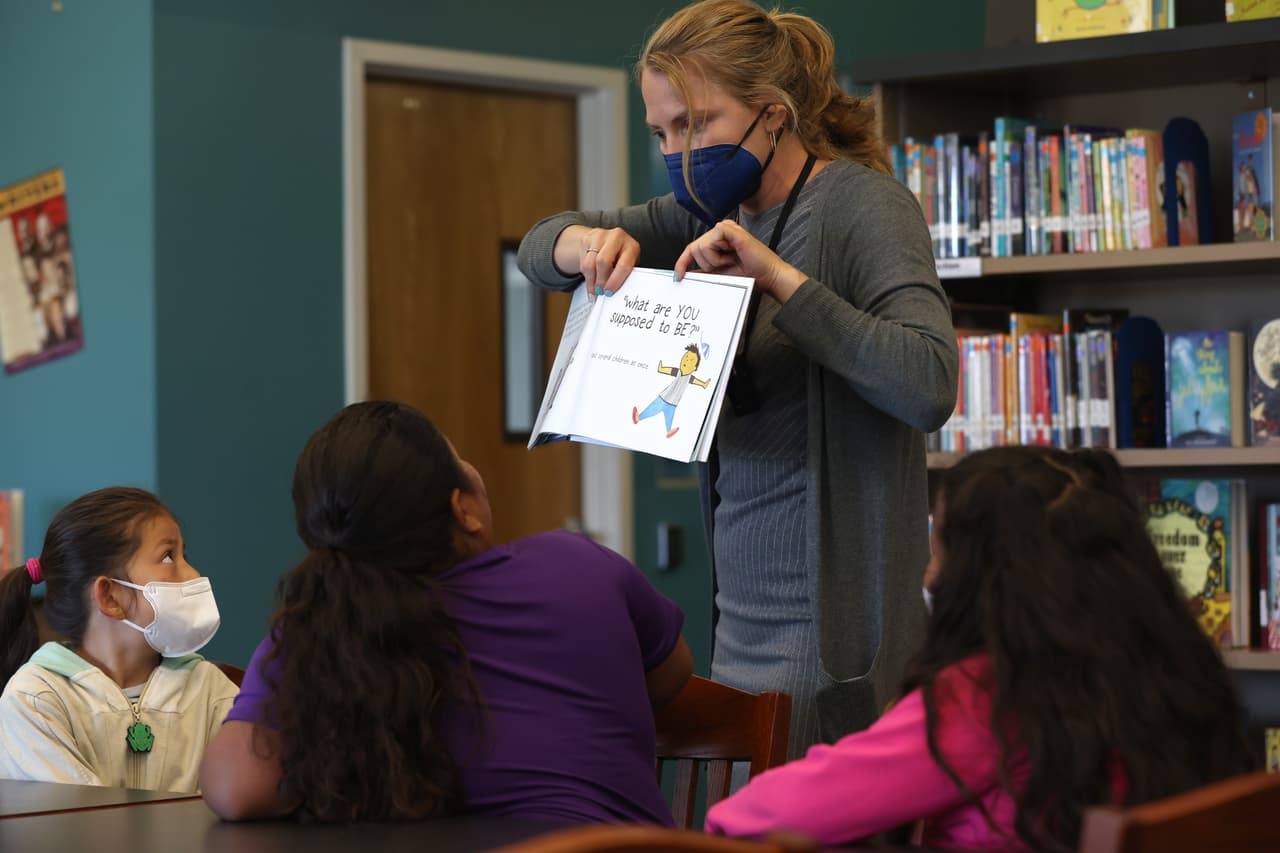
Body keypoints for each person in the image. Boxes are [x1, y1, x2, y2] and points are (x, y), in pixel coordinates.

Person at [517, 0, 958, 755]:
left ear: (774, 116)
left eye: (695, 125)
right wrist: (587, 244)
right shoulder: (699, 213)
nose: (676, 151)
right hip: (738, 628)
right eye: (661, 132)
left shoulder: (863, 207)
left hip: (839, 647)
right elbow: (537, 246)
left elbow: (928, 383)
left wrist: (784, 282)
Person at [704, 446, 1255, 851]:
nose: (927, 571)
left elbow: (753, 814)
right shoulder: (1170, 673)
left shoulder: (984, 699)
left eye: (937, 547)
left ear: (980, 578)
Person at [199, 401, 692, 823]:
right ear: (464, 510)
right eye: (459, 457)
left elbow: (237, 788)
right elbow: (671, 675)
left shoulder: (322, 631)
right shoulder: (578, 563)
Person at [0, 487, 236, 792]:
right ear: (110, 596)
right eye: (168, 556)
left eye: (183, 555)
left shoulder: (212, 690)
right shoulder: (36, 700)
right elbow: (78, 828)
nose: (193, 573)